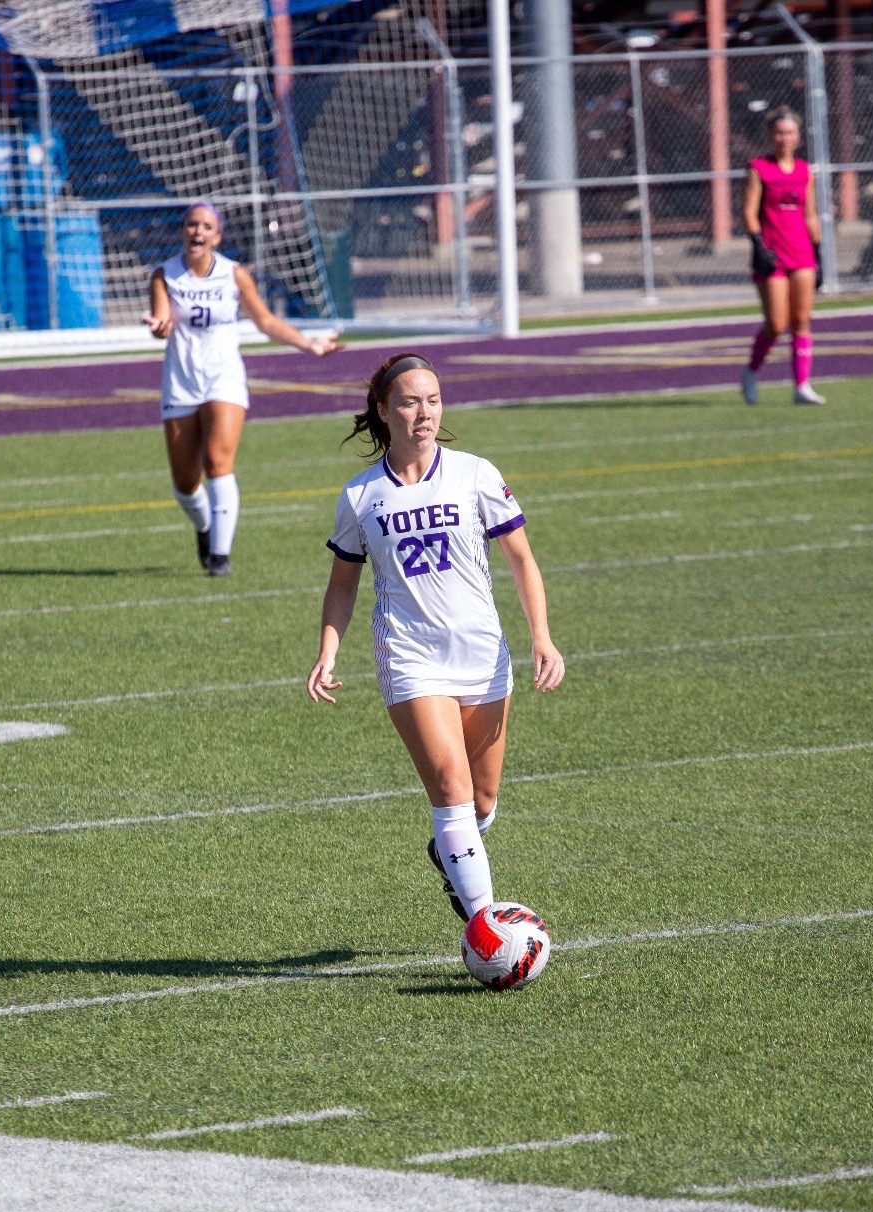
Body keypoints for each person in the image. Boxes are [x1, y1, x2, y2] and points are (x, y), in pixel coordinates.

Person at [307, 354, 564, 925]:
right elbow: (343, 584)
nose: (423, 413)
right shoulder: (360, 496)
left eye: (433, 400)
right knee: (449, 784)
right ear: (383, 410)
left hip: (482, 653)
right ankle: (485, 927)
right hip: (411, 657)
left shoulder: (475, 473)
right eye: (408, 401)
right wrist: (328, 651)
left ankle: (450, 852)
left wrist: (541, 636)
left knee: (481, 800)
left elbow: (521, 560)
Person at [147, 203, 341, 576]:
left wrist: (309, 344)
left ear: (216, 237)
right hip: (181, 382)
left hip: (224, 379)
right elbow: (163, 321)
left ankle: (219, 556)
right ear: (183, 231)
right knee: (185, 485)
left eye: (206, 226)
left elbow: (265, 320)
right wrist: (158, 326)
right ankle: (205, 526)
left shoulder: (234, 275)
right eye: (191, 224)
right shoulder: (165, 275)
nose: (197, 231)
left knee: (218, 461)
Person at [740, 107, 826, 407]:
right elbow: (749, 211)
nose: (783, 138)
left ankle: (802, 385)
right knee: (776, 323)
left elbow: (811, 213)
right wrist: (757, 246)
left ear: (798, 137)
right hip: (772, 255)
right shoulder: (759, 168)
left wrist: (818, 253)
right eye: (778, 133)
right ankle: (751, 371)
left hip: (801, 251)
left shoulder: (804, 171)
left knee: (801, 319)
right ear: (769, 136)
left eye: (789, 133)